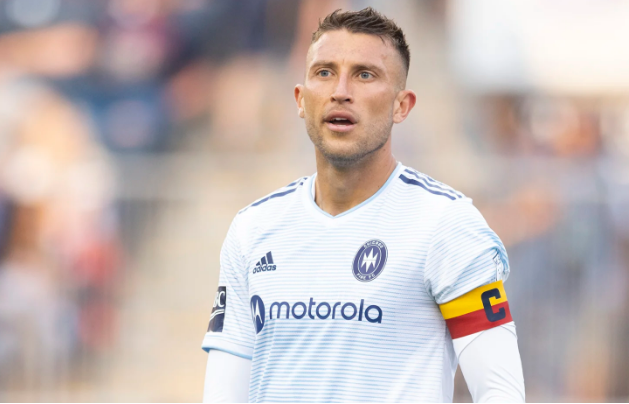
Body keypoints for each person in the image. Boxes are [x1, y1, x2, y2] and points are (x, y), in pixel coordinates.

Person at [202, 8, 525, 403]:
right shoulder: (253, 229)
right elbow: (223, 393)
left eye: (365, 75)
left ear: (402, 105)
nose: (340, 91)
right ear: (300, 100)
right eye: (324, 72)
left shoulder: (446, 226)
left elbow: (500, 390)